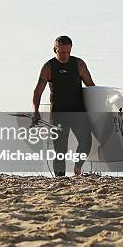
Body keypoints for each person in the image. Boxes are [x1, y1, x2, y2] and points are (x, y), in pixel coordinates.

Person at [32, 35, 95, 176]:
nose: (65, 55)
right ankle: (60, 180)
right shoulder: (49, 67)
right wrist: (35, 111)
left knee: (86, 142)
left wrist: (98, 109)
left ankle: (77, 168)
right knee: (60, 150)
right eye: (62, 52)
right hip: (58, 114)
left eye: (68, 52)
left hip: (78, 112)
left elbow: (91, 86)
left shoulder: (78, 64)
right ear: (55, 50)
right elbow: (37, 91)